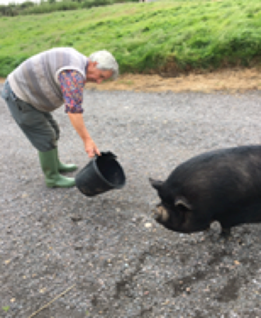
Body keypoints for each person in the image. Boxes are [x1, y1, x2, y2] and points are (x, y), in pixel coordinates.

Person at [1, 47, 119, 188]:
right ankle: (52, 178)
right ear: (93, 64)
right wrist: (87, 140)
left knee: (54, 131)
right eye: (100, 76)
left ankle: (55, 164)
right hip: (19, 96)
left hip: (32, 96)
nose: (99, 82)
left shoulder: (78, 61)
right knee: (45, 137)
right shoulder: (73, 73)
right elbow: (74, 110)